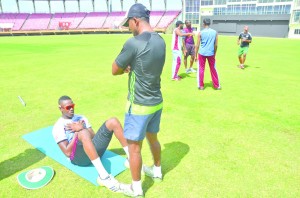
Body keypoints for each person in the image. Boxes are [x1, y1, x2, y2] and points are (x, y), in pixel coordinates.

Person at [112, 3, 166, 197]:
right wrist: (133, 66)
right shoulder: (161, 40)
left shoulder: (132, 43)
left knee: (134, 149)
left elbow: (114, 70)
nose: (128, 28)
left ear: (135, 21)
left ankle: (136, 189)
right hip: (157, 101)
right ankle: (157, 170)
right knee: (153, 138)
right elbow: (147, 64)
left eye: (129, 24)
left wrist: (127, 68)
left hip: (139, 104)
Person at [52, 95, 130, 193]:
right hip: (78, 159)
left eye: (73, 105)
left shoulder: (81, 117)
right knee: (82, 133)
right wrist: (77, 132)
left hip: (93, 151)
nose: (71, 109)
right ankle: (104, 177)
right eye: (68, 107)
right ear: (60, 108)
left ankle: (131, 159)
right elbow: (68, 153)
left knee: (113, 121)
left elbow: (94, 136)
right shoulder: (58, 126)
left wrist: (83, 127)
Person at [195, 18, 221, 90]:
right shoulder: (215, 32)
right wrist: (214, 53)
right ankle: (216, 85)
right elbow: (216, 45)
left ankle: (201, 86)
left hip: (202, 53)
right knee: (213, 69)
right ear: (209, 23)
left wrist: (195, 55)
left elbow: (197, 45)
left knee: (201, 69)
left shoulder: (200, 33)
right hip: (211, 53)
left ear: (203, 24)